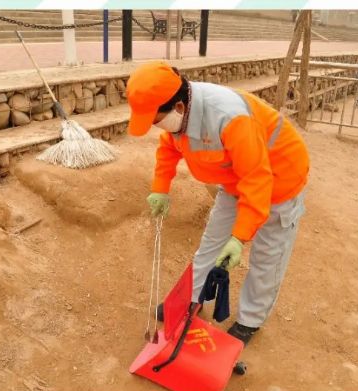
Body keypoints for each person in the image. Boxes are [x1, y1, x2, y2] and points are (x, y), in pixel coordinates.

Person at [127, 61, 310, 346]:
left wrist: (239, 238)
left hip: (279, 179)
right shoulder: (180, 116)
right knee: (211, 244)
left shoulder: (230, 118)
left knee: (267, 256)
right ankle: (192, 300)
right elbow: (169, 147)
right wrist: (161, 188)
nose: (155, 126)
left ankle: (250, 320)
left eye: (155, 119)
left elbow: (257, 181)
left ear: (178, 107)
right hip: (235, 178)